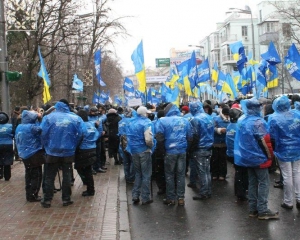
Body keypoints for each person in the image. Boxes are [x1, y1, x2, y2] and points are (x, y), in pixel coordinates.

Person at [234, 98, 279, 220]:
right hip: (259, 158)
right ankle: (263, 210)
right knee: (264, 183)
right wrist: (270, 156)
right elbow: (265, 141)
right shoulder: (259, 122)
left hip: (246, 158)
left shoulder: (242, 120)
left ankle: (253, 209)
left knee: (253, 183)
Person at [40, 99, 85, 208]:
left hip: (52, 151)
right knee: (67, 175)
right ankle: (66, 198)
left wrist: (47, 146)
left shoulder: (48, 118)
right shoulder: (75, 118)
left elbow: (42, 133)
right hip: (68, 151)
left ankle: (47, 199)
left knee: (50, 175)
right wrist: (74, 144)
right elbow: (81, 133)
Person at [156, 103, 193, 206]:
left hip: (170, 151)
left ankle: (170, 198)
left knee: (169, 175)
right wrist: (186, 149)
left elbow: (159, 137)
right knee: (181, 175)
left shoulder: (162, 121)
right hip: (182, 151)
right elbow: (190, 137)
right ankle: (181, 198)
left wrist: (163, 151)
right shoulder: (185, 120)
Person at [268, 96, 300, 209]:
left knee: (287, 175)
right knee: (297, 173)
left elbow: (273, 137)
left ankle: (288, 201)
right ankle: (299, 198)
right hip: (297, 149)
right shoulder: (297, 115)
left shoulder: (274, 118)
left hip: (283, 150)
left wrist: (275, 150)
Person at [15, 110, 45, 202]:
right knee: (36, 175)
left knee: (28, 174)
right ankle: (33, 194)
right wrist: (40, 119)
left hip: (24, 154)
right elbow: (42, 129)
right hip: (34, 153)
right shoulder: (32, 127)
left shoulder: (19, 126)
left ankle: (29, 194)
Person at [127, 106, 154, 205]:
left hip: (134, 151)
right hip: (144, 151)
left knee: (138, 174)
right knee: (146, 175)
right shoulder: (147, 123)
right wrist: (151, 146)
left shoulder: (131, 122)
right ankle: (145, 197)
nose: (148, 114)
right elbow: (148, 139)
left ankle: (135, 195)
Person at [189, 101, 214, 200]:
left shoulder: (195, 119)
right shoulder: (208, 117)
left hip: (200, 148)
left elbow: (195, 135)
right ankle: (208, 191)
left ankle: (204, 192)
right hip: (209, 146)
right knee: (207, 171)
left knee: (202, 172)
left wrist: (191, 148)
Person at [75, 109, 100, 197]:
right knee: (87, 169)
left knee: (85, 170)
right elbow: (97, 135)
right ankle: (90, 188)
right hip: (92, 148)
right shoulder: (91, 125)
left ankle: (90, 189)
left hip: (83, 150)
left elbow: (78, 138)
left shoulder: (80, 126)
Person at [225, 108, 247, 201]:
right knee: (241, 173)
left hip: (231, 153)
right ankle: (240, 193)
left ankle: (239, 191)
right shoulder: (239, 126)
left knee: (238, 172)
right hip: (238, 154)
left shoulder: (229, 126)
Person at [211, 106, 230, 180]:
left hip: (225, 142)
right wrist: (219, 130)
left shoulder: (230, 120)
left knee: (223, 159)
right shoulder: (216, 119)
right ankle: (214, 173)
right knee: (215, 159)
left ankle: (222, 174)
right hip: (216, 142)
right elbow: (211, 128)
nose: (227, 116)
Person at [118, 107, 135, 184]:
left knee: (126, 161)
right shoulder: (133, 121)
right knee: (132, 161)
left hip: (122, 143)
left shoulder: (120, 122)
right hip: (131, 143)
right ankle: (131, 177)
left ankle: (127, 175)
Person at [0, 112, 14, 181]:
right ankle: (7, 176)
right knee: (7, 160)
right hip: (8, 145)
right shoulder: (10, 126)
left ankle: (0, 173)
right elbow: (13, 134)